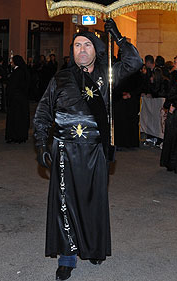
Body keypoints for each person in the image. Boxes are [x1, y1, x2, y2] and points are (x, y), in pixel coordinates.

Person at [33, 19, 142, 280]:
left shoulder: (107, 74)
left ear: (96, 49)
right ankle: (68, 256)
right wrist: (40, 143)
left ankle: (92, 247)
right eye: (77, 45)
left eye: (87, 45)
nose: (81, 49)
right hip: (65, 150)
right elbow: (43, 113)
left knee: (93, 201)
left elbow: (134, 62)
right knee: (64, 203)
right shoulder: (61, 78)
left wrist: (116, 34)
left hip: (95, 151)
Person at [5, 55, 30, 143]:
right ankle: (21, 136)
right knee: (21, 118)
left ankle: (15, 136)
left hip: (16, 99)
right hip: (22, 98)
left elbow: (13, 85)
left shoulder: (18, 72)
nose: (11, 63)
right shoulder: (24, 70)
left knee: (16, 118)